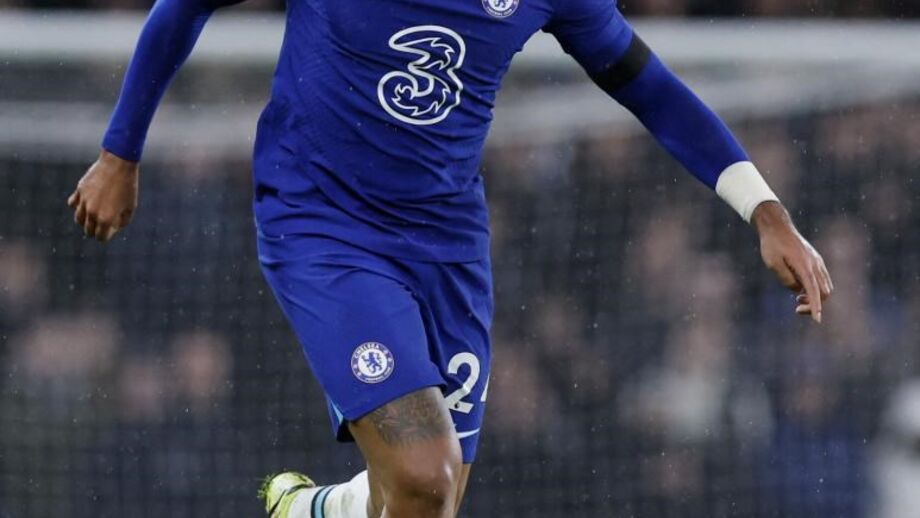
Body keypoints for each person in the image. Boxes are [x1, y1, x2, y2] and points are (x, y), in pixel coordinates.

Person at [66, 0, 834, 516]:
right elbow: (183, 6)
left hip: (447, 244)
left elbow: (648, 85)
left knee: (428, 500)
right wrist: (119, 152)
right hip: (323, 224)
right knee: (423, 475)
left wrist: (765, 211)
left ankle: (317, 509)